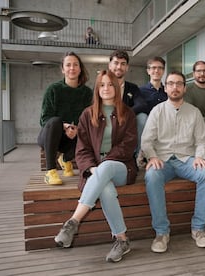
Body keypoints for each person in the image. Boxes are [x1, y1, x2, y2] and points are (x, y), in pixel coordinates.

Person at [54, 70, 137, 263]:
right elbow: (81, 149)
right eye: (102, 85)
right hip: (96, 170)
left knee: (106, 169)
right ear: (97, 89)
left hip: (122, 167)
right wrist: (92, 168)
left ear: (116, 88)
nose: (106, 88)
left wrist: (104, 164)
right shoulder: (87, 114)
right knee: (106, 189)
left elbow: (128, 146)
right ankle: (122, 240)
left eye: (110, 84)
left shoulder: (128, 113)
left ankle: (73, 222)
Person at [141, 71, 205, 253]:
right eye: (171, 84)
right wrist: (152, 157)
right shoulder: (157, 111)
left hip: (187, 159)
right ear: (165, 88)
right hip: (163, 160)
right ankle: (161, 232)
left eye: (179, 84)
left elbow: (201, 141)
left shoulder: (194, 112)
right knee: (152, 176)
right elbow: (146, 140)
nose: (175, 87)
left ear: (184, 88)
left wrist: (200, 156)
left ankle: (198, 229)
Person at [38, 51, 93, 185]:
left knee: (91, 133)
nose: (72, 68)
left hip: (73, 138)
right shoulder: (53, 90)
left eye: (75, 65)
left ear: (80, 69)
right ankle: (50, 171)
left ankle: (65, 159)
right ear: (63, 69)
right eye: (68, 65)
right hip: (51, 135)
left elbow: (89, 120)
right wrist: (65, 126)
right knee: (55, 121)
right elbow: (44, 119)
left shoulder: (87, 93)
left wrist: (77, 129)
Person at [108, 50, 147, 156]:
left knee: (142, 117)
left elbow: (142, 104)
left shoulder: (132, 88)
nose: (119, 67)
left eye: (123, 64)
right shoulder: (102, 86)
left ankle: (137, 157)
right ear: (110, 65)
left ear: (127, 67)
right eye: (116, 63)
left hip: (126, 122)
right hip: (107, 120)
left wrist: (125, 114)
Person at [137, 57, 168, 168]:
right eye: (153, 68)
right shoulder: (140, 91)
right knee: (141, 117)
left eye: (160, 68)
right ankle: (141, 155)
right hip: (148, 127)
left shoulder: (167, 91)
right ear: (148, 71)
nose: (156, 71)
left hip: (165, 127)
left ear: (163, 71)